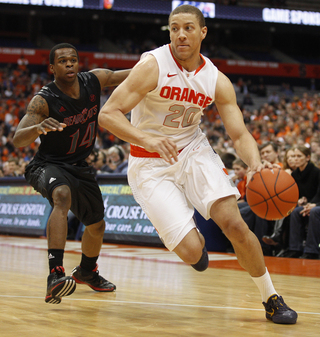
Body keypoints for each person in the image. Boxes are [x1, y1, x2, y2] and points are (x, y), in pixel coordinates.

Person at [98, 5, 297, 324]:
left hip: (192, 151)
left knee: (234, 224)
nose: (180, 34)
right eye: (174, 28)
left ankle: (270, 296)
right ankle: (194, 244)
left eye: (188, 28)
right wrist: (146, 139)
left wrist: (256, 161)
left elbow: (239, 133)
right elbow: (107, 113)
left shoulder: (215, 79)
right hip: (149, 163)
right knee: (193, 252)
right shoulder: (152, 65)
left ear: (203, 32)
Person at [12, 43, 131, 304]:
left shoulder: (94, 80)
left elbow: (125, 75)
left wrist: (155, 67)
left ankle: (87, 271)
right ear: (52, 68)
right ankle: (55, 274)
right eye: (63, 61)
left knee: (97, 225)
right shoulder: (44, 99)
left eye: (73, 60)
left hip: (79, 166)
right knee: (62, 196)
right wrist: (39, 127)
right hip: (47, 164)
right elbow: (18, 139)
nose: (69, 65)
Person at [279, 146, 320, 259]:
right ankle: (294, 248)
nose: (296, 159)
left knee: (315, 211)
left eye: (299, 156)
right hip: (309, 204)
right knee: (295, 211)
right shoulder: (295, 174)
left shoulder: (316, 172)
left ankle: (312, 250)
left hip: (316, 205)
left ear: (308, 157)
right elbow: (296, 192)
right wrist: (301, 200)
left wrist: (314, 204)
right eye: (294, 156)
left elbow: (318, 192)